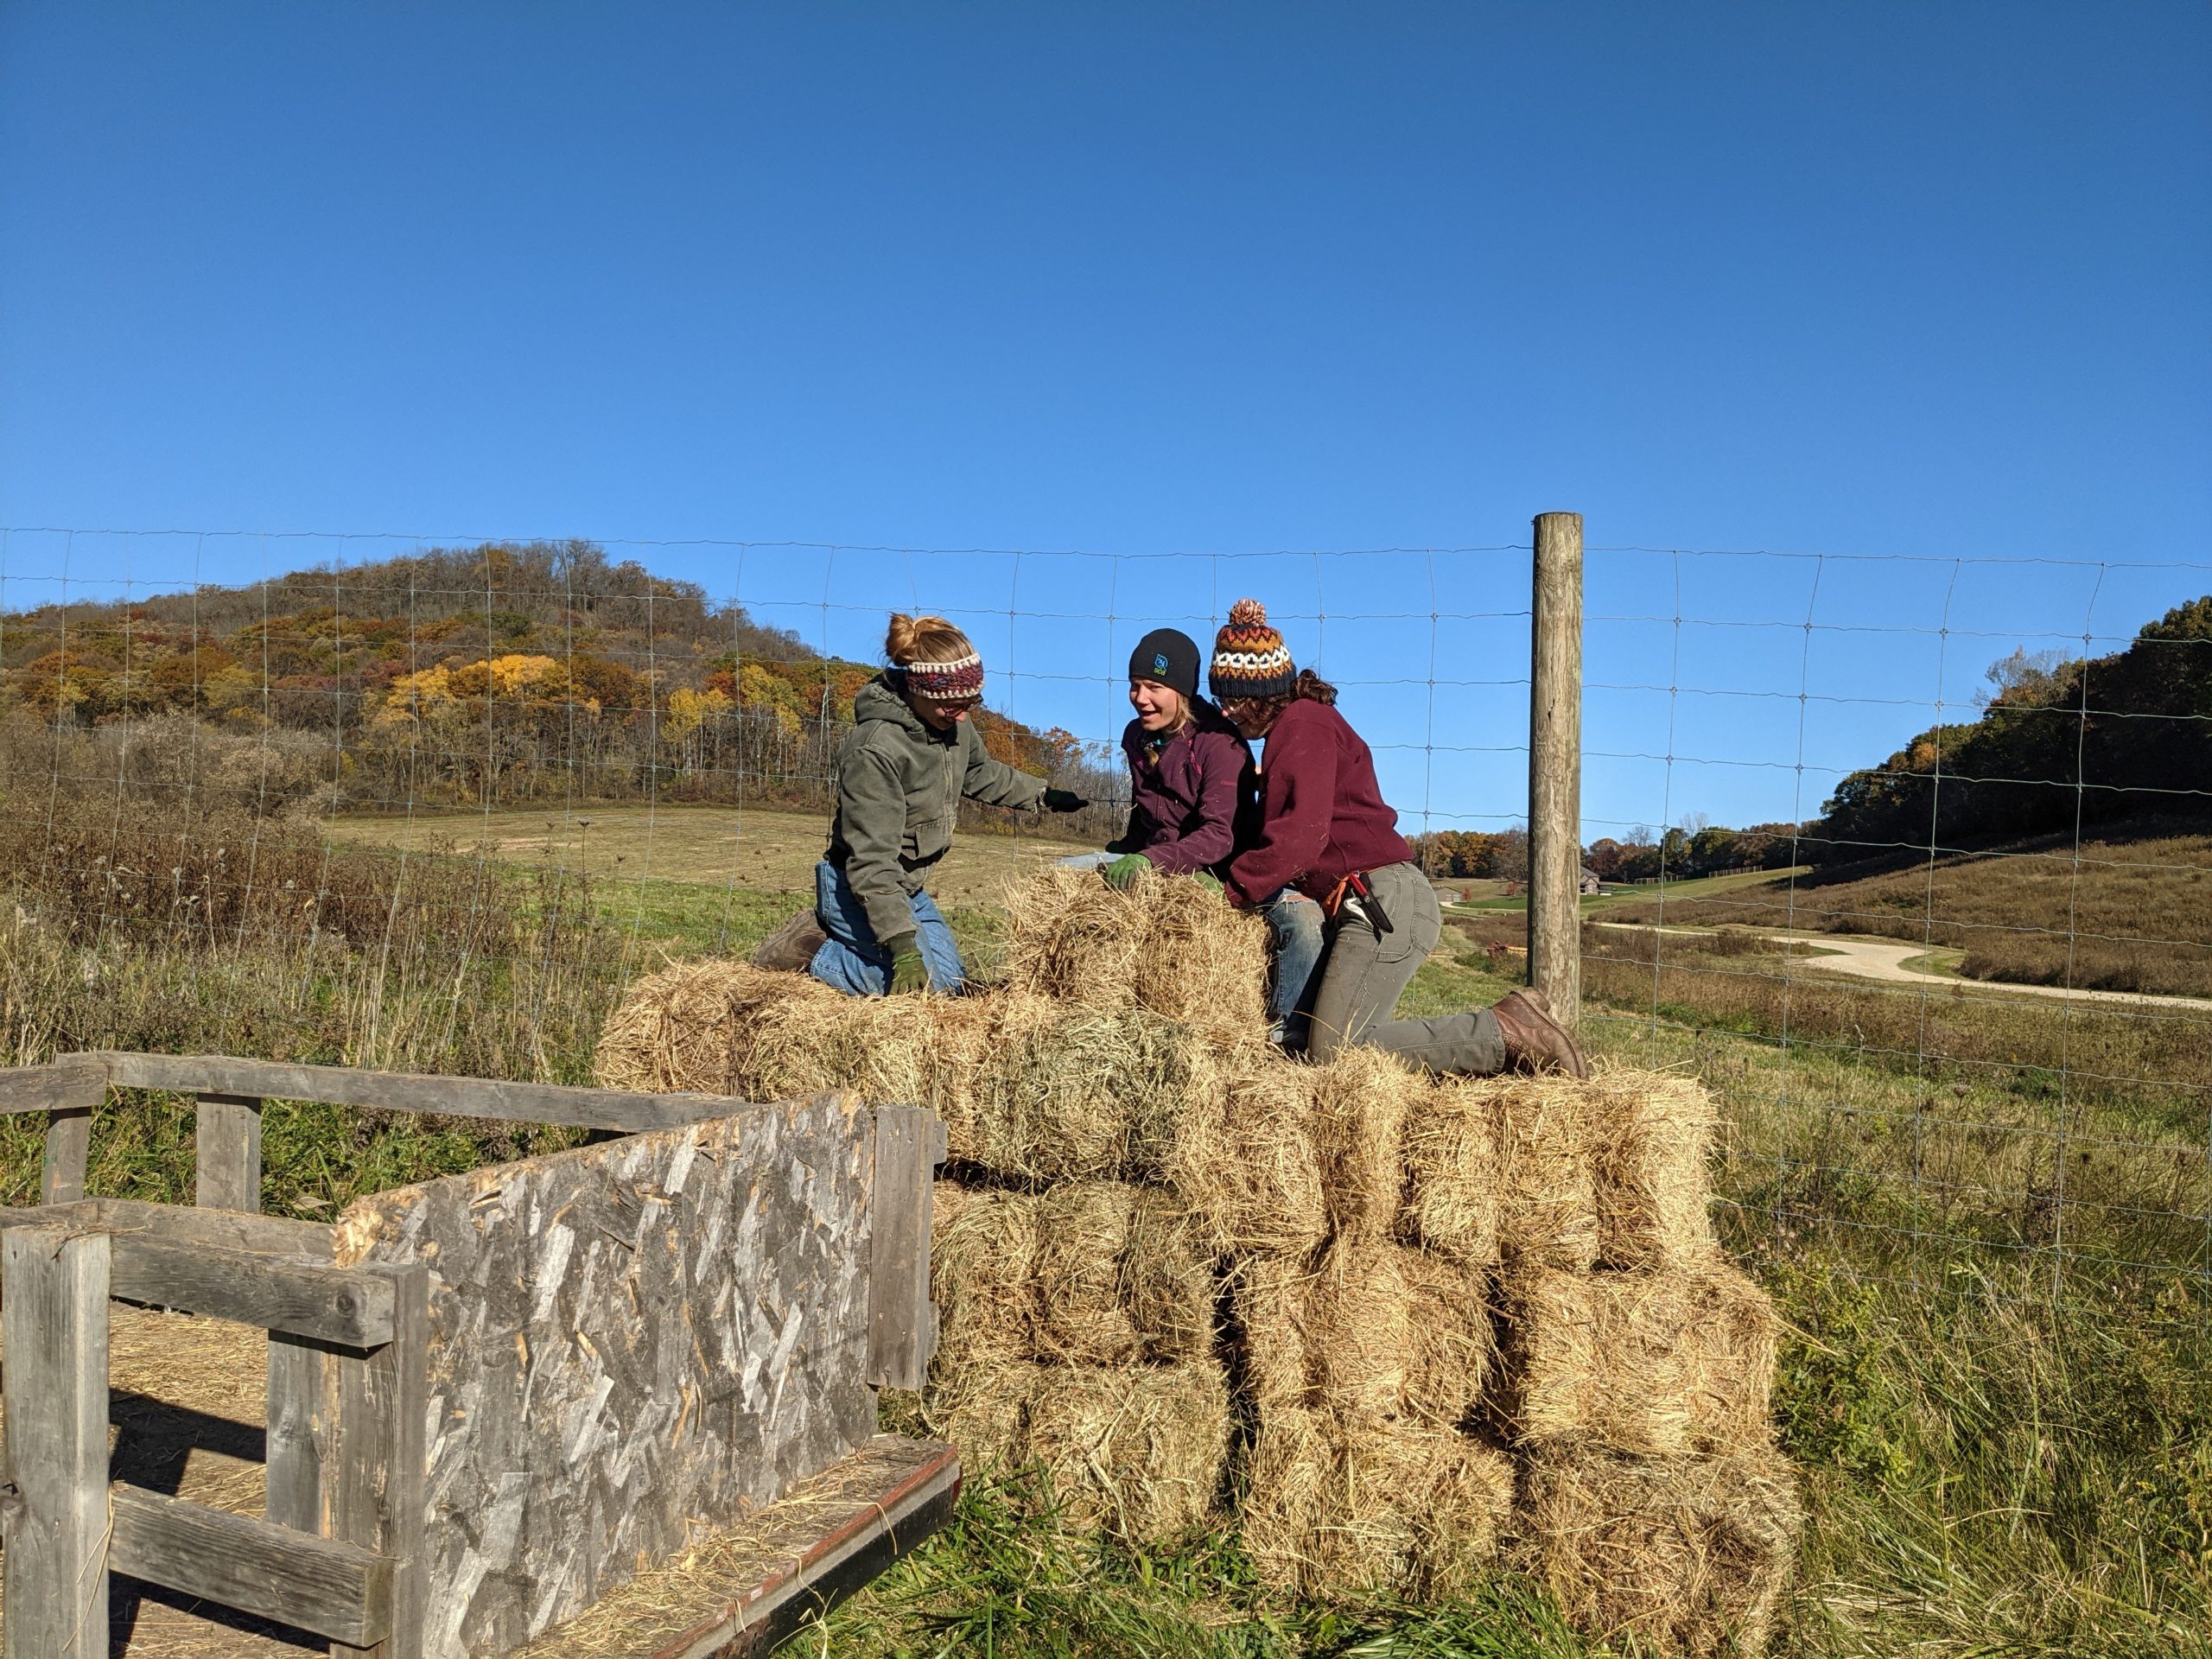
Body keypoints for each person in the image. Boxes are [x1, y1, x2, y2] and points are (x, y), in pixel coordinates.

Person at [1206, 598, 1586, 1077]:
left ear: (1263, 691)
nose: (1227, 710)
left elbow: (1300, 836)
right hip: (1373, 900)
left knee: (1334, 1052)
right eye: (1220, 697)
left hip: (1383, 901)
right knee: (1323, 1048)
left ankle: (1504, 1031)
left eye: (1235, 697)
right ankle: (1504, 1038)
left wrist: (1230, 892)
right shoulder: (1303, 726)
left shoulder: (1301, 725)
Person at [750, 613, 1086, 995]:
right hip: (857, 888)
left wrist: (1042, 794)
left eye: (970, 702)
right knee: (923, 994)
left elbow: (979, 772)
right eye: (951, 705)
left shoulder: (953, 722)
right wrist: (902, 948)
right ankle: (813, 952)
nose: (961, 714)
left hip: (907, 887)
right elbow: (872, 863)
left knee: (956, 988)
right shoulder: (875, 750)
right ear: (919, 690)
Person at [1075, 627, 1325, 1046]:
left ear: (1182, 692)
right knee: (1070, 873)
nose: (1140, 697)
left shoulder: (1219, 745)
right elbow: (1146, 808)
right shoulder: (1136, 736)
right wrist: (1127, 849)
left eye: (1154, 687)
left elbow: (1217, 836)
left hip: (1225, 871)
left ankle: (1288, 1035)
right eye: (1134, 686)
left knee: (1301, 919)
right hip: (1162, 861)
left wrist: (1154, 862)